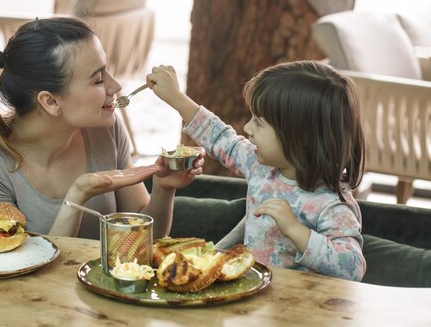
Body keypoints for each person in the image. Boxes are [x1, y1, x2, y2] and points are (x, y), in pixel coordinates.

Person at [0, 17, 203, 240]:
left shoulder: (104, 131)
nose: (116, 86)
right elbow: (14, 271)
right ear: (51, 101)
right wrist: (78, 195)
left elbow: (141, 241)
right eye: (99, 79)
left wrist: (163, 190)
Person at [147, 60, 366, 281]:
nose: (247, 128)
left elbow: (353, 267)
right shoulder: (261, 166)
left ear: (302, 138)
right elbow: (222, 138)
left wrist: (296, 230)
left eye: (259, 122)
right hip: (255, 299)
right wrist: (176, 98)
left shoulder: (332, 203)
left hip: (298, 308)